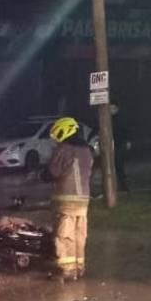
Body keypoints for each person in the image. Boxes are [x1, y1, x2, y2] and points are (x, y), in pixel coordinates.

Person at [47, 117, 94, 281]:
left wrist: (40, 174)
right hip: (83, 200)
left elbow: (52, 172)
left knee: (64, 235)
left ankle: (66, 270)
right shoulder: (87, 149)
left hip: (66, 200)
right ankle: (79, 267)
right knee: (80, 234)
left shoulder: (64, 148)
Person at [111, 103, 131, 192]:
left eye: (113, 108)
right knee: (114, 165)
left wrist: (128, 140)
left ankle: (123, 185)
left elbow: (127, 129)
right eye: (110, 108)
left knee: (119, 164)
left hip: (120, 144)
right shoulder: (107, 119)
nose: (112, 110)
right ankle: (117, 185)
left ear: (117, 109)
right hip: (112, 145)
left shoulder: (122, 119)